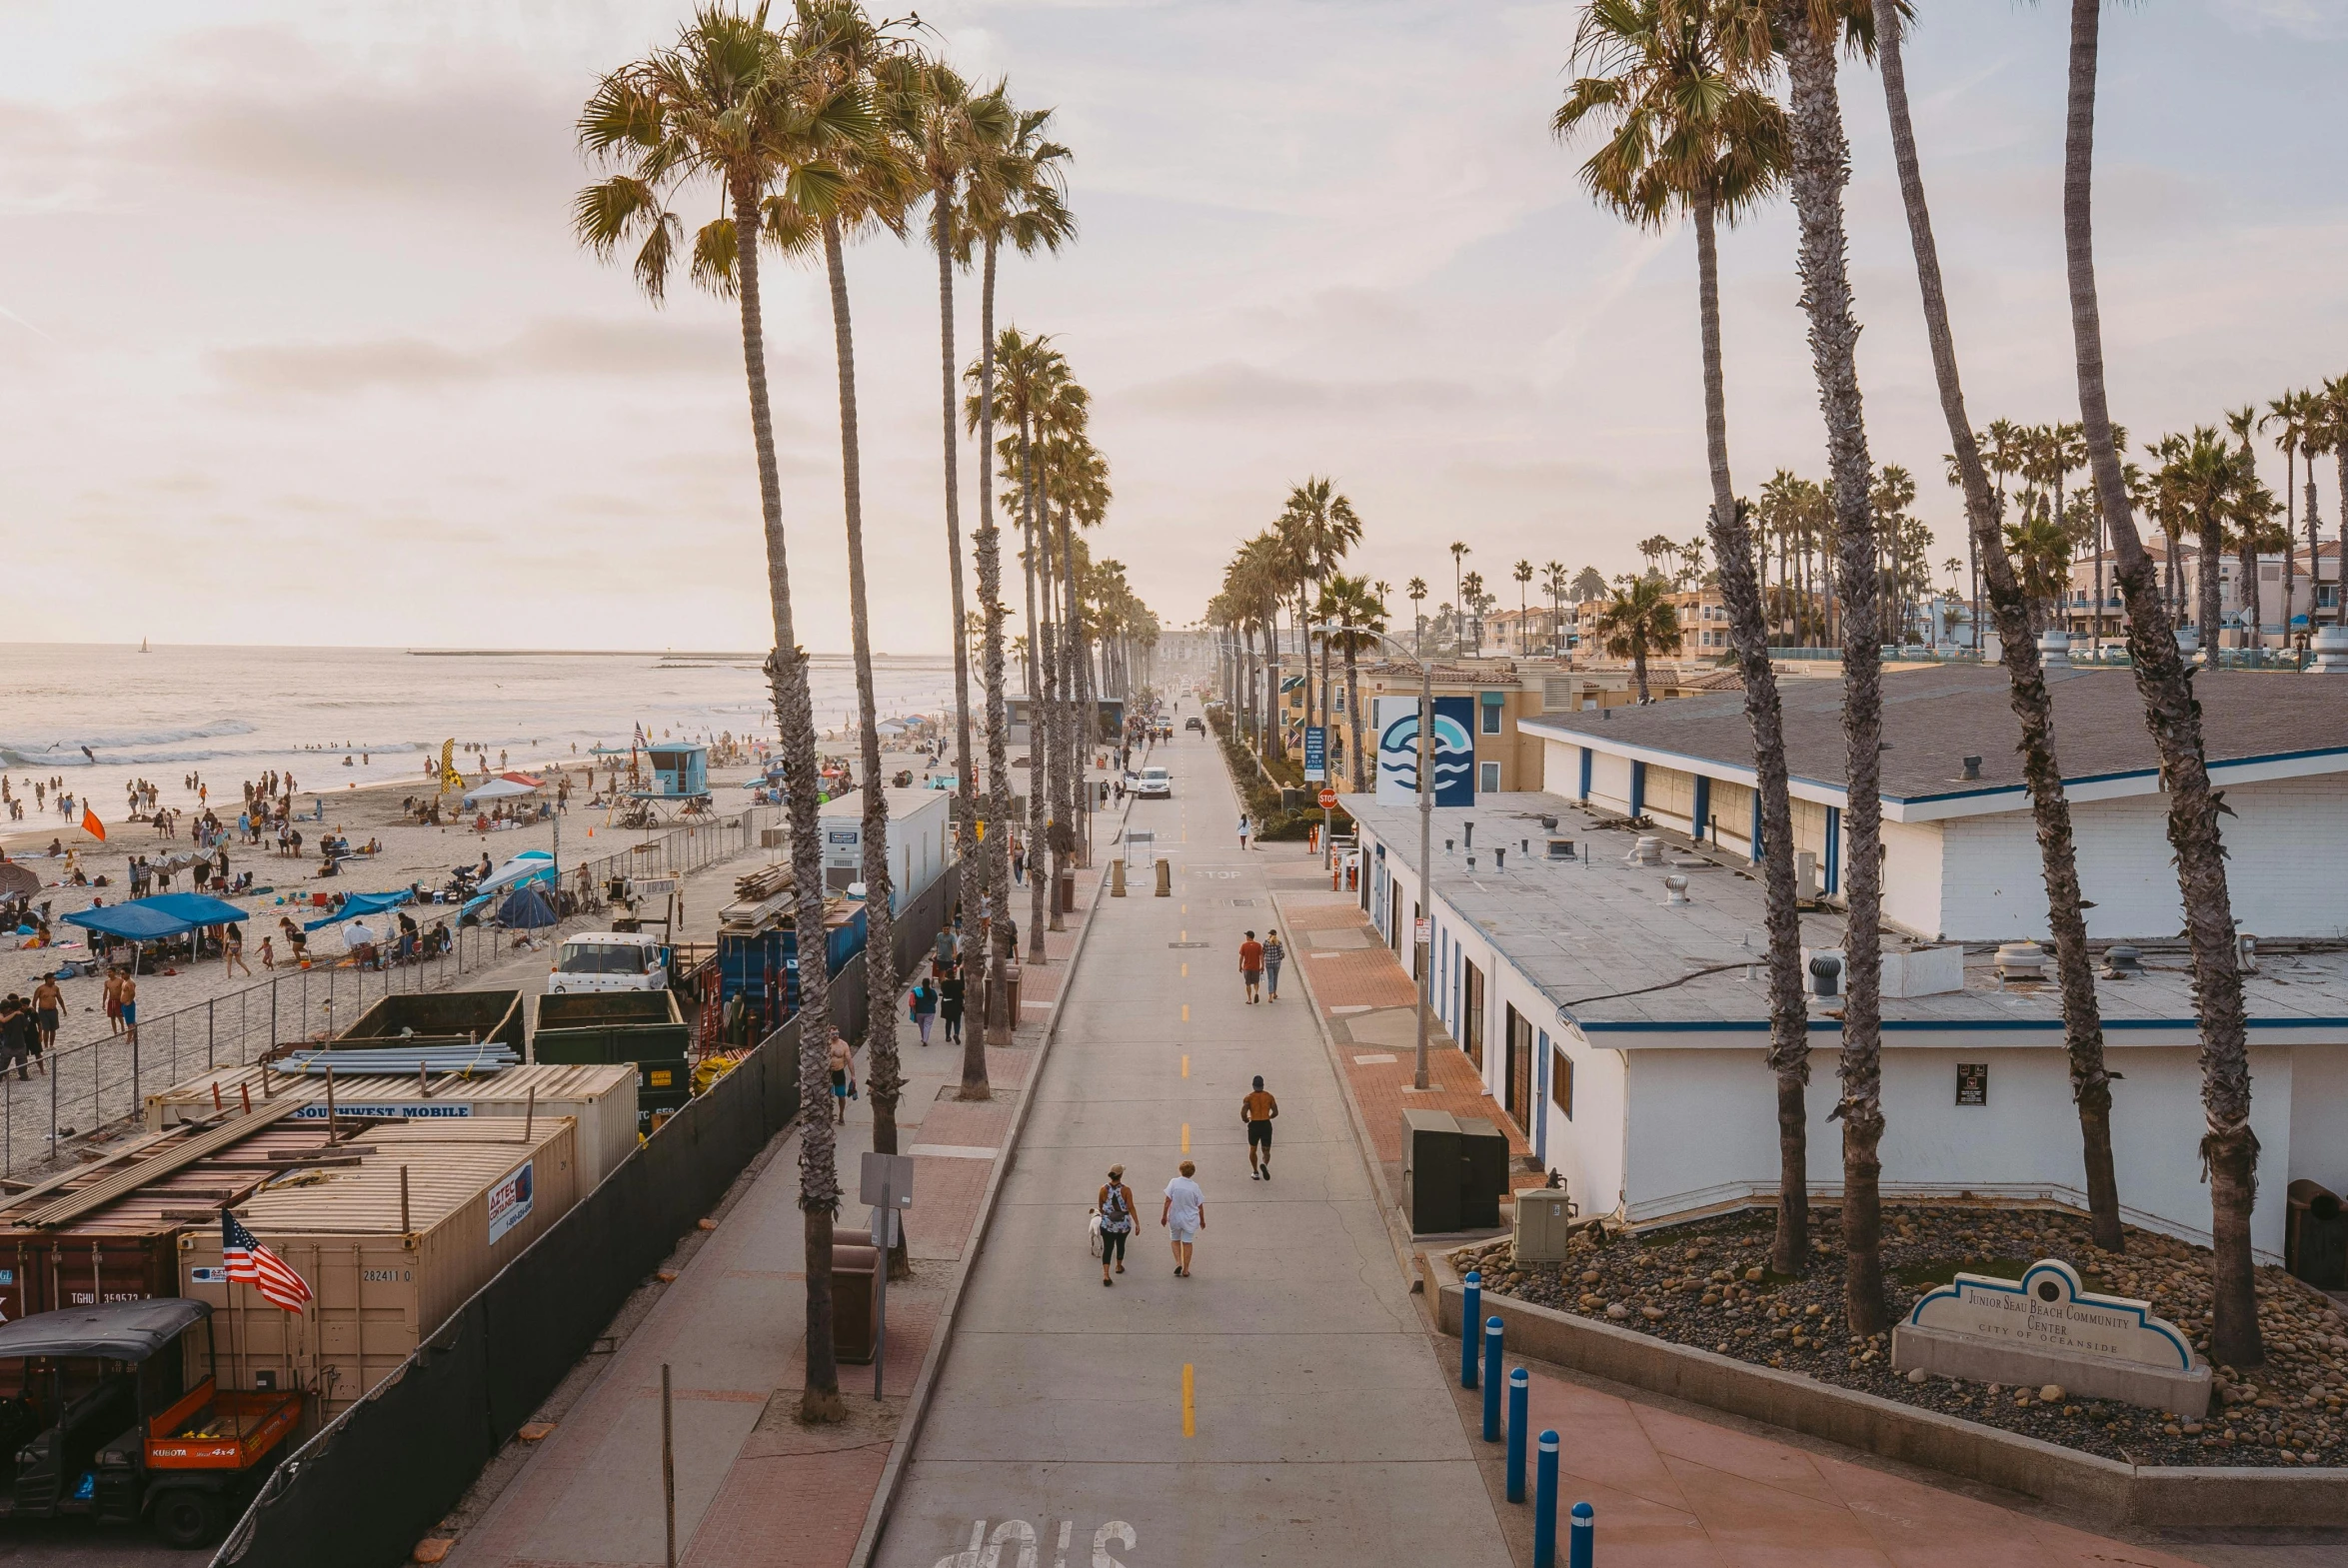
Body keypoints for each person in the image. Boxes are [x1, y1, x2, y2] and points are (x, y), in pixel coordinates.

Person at [1162, 1160, 1204, 1277]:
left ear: (1180, 1170)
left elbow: (1167, 1201)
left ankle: (1178, 1262)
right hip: (1190, 1219)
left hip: (1175, 1217)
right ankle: (1186, 1269)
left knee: (1175, 1240)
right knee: (1187, 1242)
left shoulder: (1174, 1182)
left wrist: (1164, 1216)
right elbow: (1199, 1205)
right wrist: (1202, 1220)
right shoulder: (1195, 1187)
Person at [1097, 1164, 1137, 1286]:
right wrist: (1137, 1222)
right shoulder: (1126, 1190)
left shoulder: (1103, 1189)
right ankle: (1118, 1266)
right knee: (1120, 1244)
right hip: (1122, 1224)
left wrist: (1107, 1216)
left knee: (1108, 1248)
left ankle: (1106, 1274)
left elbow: (1100, 1205)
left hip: (1107, 1223)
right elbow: (1131, 1207)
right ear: (1121, 1175)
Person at [1242, 1075, 1279, 1181]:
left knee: (1253, 1149)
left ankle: (1255, 1172)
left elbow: (1244, 1111)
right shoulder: (1269, 1097)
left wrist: (1245, 1119)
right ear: (1263, 1085)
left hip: (1254, 1124)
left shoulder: (1249, 1098)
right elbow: (1276, 1112)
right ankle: (1264, 1165)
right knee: (1266, 1149)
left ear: (1253, 1086)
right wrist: (1269, 1117)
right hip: (1265, 1124)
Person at [31, 975, 59, 1067]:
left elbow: (59, 998)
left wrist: (64, 1009)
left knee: (53, 1028)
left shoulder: (56, 988)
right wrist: (34, 1011)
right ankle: (46, 1046)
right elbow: (34, 1000)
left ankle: (51, 1045)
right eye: (52, 978)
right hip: (43, 1011)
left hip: (53, 1010)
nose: (54, 980)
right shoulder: (40, 989)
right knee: (45, 1028)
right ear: (47, 979)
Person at [828, 1032, 855, 1123]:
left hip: (839, 1072)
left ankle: (841, 1115)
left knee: (841, 1096)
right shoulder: (825, 1044)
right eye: (833, 1034)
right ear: (829, 1034)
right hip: (828, 1073)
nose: (835, 1035)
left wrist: (853, 1075)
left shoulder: (843, 1044)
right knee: (827, 1095)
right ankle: (829, 1114)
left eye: (837, 1033)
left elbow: (849, 1059)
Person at [938, 961, 966, 1045]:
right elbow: (964, 992)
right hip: (957, 1004)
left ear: (946, 975)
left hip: (947, 1004)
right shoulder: (959, 983)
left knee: (948, 1021)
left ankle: (947, 1036)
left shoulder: (944, 984)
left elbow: (943, 991)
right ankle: (956, 1034)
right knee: (957, 1021)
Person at [909, 975, 939, 1047]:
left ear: (922, 983)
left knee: (921, 1025)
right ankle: (925, 1039)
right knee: (927, 1025)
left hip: (919, 1011)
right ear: (929, 983)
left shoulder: (917, 991)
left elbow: (913, 1001)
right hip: (930, 1011)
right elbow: (935, 1000)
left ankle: (923, 1037)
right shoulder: (932, 991)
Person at [1238, 929, 1263, 1005]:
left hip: (1247, 967)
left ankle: (1249, 999)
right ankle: (1256, 992)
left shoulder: (1244, 945)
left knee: (1248, 983)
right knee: (1256, 982)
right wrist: (1262, 966)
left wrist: (1240, 966)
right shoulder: (1258, 945)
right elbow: (1261, 957)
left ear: (1248, 937)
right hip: (1256, 967)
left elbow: (1241, 957)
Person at [1261, 928, 1285, 1003]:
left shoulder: (1266, 942)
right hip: (1277, 963)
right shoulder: (1279, 942)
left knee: (1270, 979)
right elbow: (1282, 953)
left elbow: (1263, 952)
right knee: (1275, 978)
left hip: (1268, 963)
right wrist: (1280, 958)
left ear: (1270, 934)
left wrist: (1263, 960)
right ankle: (1275, 993)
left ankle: (1270, 997)